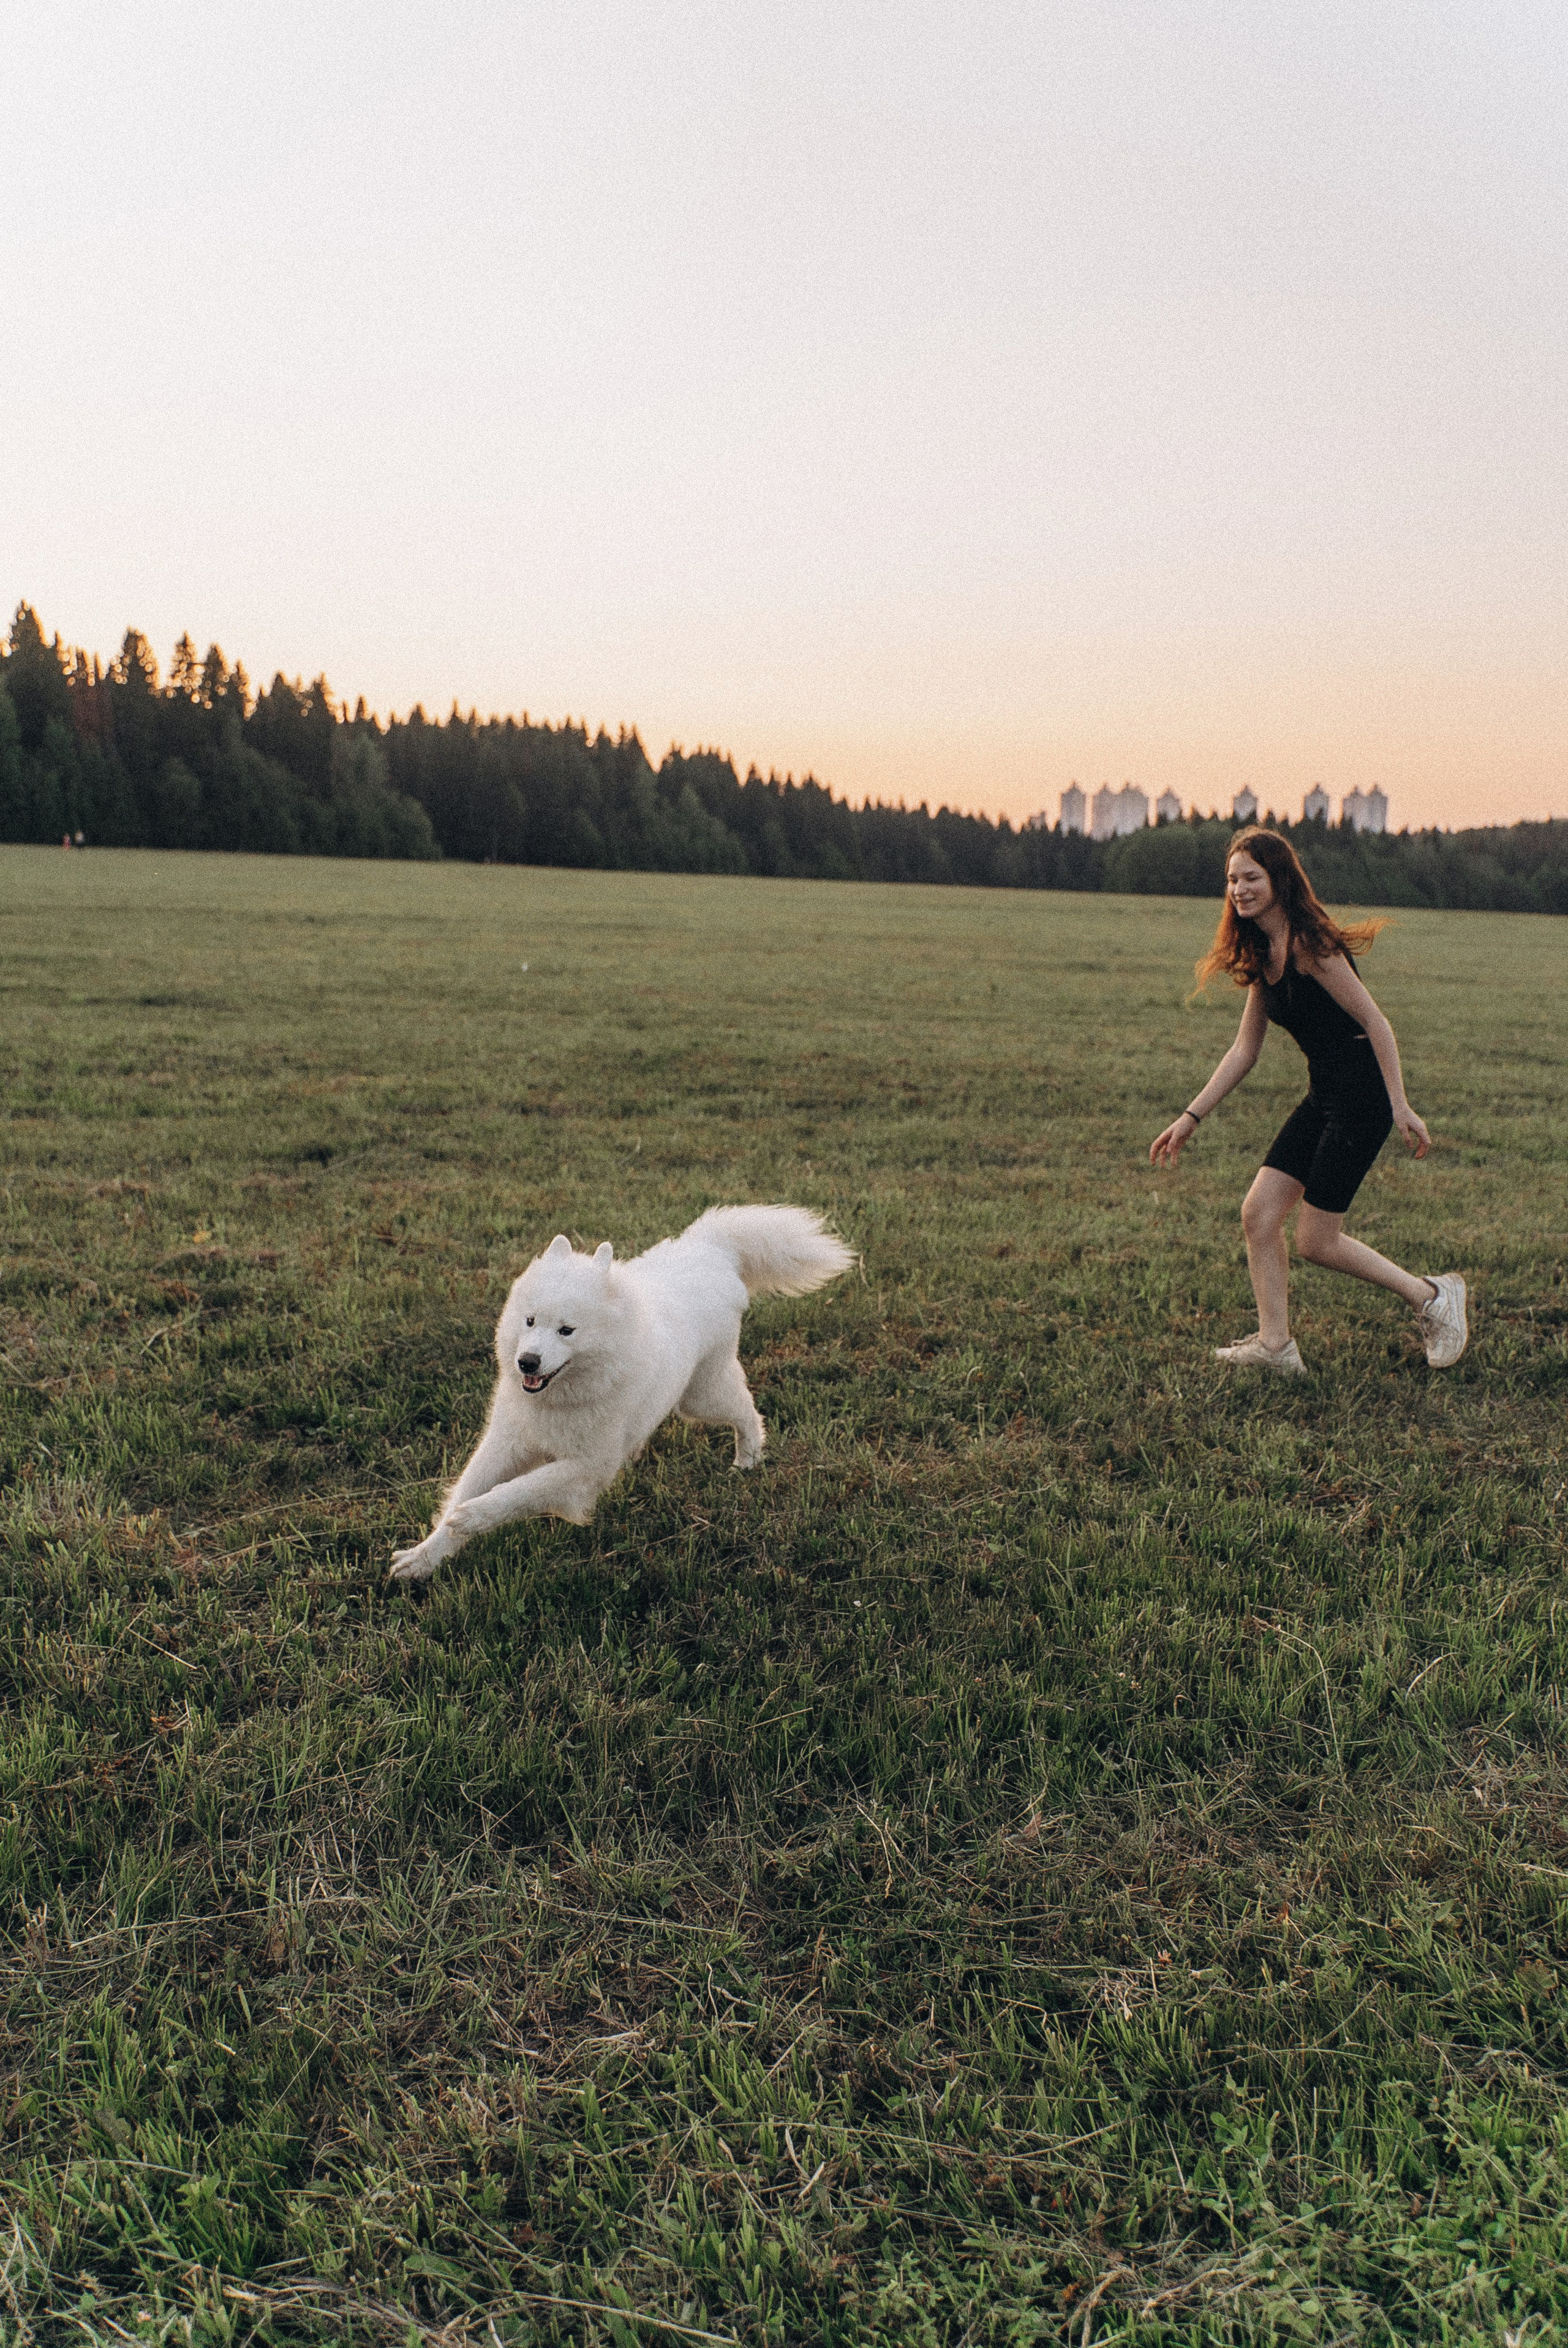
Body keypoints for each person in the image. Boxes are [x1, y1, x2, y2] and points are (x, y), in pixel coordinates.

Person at [1148, 827, 1466, 1373]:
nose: (1240, 889)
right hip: (1326, 1095)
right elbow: (1245, 1050)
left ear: (1279, 879)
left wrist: (1400, 1105)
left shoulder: (1309, 945)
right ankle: (1277, 1346)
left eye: (1252, 877)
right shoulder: (1262, 952)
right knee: (1259, 1213)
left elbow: (1375, 1021)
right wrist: (1190, 1116)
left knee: (1317, 1240)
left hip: (1363, 1099)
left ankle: (1434, 1298)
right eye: (1232, 880)